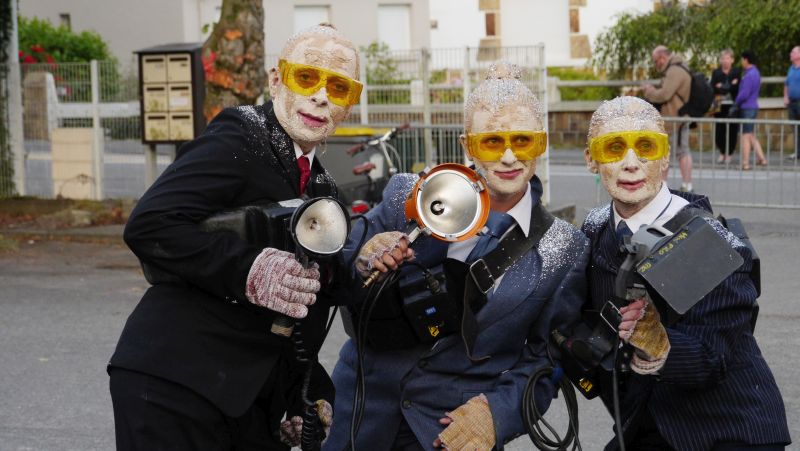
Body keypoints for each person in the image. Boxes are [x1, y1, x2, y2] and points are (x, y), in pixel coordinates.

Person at [107, 23, 362, 449]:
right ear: (276, 80)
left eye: (338, 87)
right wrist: (250, 269)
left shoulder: (323, 190)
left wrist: (305, 395)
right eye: (306, 77)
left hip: (245, 402)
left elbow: (301, 308)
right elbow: (151, 223)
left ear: (349, 104)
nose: (321, 96)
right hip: (175, 382)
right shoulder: (241, 135)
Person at [323, 63, 589, 450]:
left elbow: (545, 359)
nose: (510, 157)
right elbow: (338, 261)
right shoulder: (409, 193)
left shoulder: (565, 247)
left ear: (542, 143)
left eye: (523, 141)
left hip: (453, 431)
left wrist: (496, 415)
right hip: (359, 414)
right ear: (468, 145)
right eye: (492, 142)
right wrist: (364, 256)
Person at [578, 96, 790, 450]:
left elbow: (712, 357)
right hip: (644, 422)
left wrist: (661, 345)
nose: (631, 164)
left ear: (665, 157)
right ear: (591, 159)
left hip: (727, 427)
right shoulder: (594, 227)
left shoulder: (708, 240)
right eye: (614, 148)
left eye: (646, 147)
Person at [643, 45, 693, 193]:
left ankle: (684, 185)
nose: (655, 64)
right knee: (670, 151)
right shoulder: (677, 68)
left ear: (662, 57)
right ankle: (674, 184)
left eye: (655, 61)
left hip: (676, 118)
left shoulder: (674, 71)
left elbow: (665, 94)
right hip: (678, 117)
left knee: (678, 151)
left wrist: (650, 92)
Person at [736, 50, 767, 170]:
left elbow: (744, 93)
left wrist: (736, 102)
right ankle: (762, 159)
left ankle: (745, 163)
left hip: (747, 108)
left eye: (742, 59)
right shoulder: (756, 72)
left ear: (746, 60)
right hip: (753, 106)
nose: (741, 62)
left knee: (745, 135)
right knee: (750, 134)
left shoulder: (749, 75)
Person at [710, 48, 741, 163]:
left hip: (733, 105)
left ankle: (730, 153)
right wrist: (728, 86)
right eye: (723, 58)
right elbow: (713, 87)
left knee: (732, 130)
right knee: (719, 130)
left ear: (732, 60)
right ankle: (722, 152)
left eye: (727, 58)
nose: (725, 61)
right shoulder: (716, 72)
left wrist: (722, 86)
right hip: (719, 105)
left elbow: (736, 88)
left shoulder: (736, 72)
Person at [783, 45, 800, 161]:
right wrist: (785, 96)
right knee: (795, 128)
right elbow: (786, 84)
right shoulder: (791, 68)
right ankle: (797, 152)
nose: (790, 54)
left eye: (793, 52)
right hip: (792, 103)